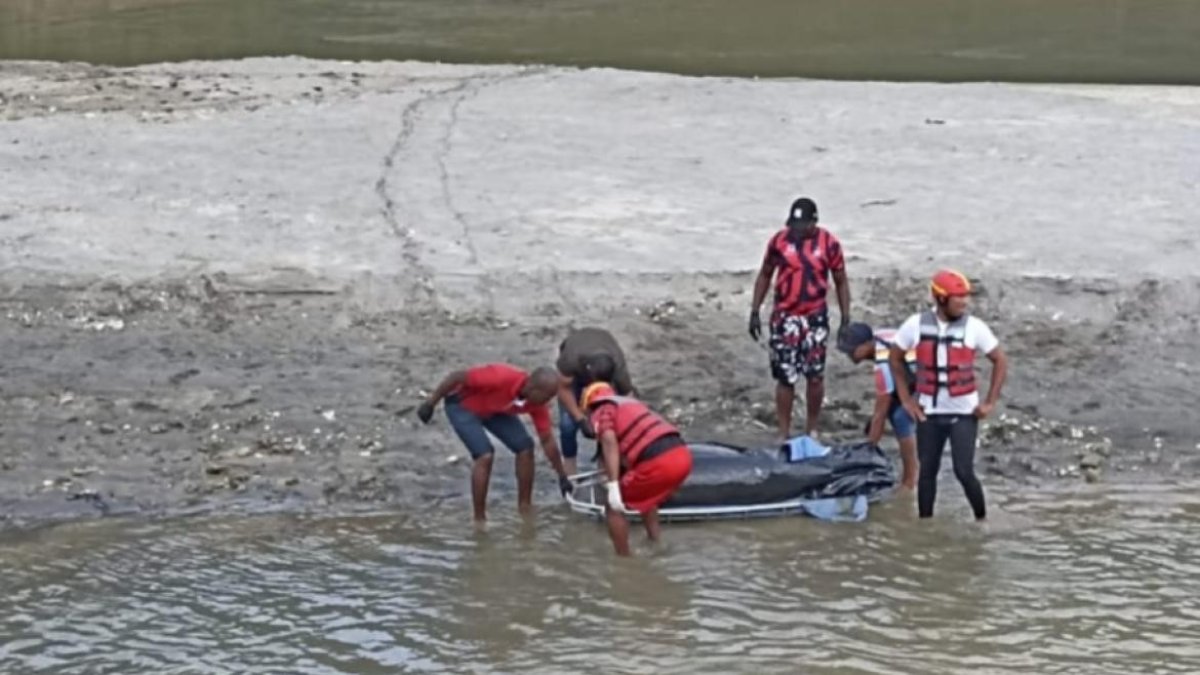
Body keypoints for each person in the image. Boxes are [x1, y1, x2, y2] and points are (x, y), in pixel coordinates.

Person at [889, 270, 1009, 521]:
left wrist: (989, 403)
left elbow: (1000, 360)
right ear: (941, 299)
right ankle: (925, 526)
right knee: (927, 473)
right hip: (928, 413)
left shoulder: (975, 327)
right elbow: (895, 357)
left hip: (964, 413)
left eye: (966, 297)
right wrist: (906, 399)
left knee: (963, 471)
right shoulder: (916, 324)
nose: (964, 302)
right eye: (958, 298)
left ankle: (981, 520)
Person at [416, 363, 572, 523]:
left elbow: (547, 440)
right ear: (533, 389)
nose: (548, 402)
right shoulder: (500, 377)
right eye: (547, 397)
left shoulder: (537, 403)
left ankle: (525, 507)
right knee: (485, 455)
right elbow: (456, 376)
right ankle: (479, 519)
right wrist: (430, 403)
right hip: (462, 406)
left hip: (495, 410)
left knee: (525, 447)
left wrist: (562, 475)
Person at [749, 197, 852, 439]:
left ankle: (811, 428)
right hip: (784, 317)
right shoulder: (779, 242)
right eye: (794, 226)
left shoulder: (830, 244)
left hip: (815, 317)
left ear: (814, 223)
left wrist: (845, 318)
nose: (796, 231)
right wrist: (755, 310)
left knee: (815, 376)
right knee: (785, 377)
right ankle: (784, 432)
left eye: (802, 226)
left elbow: (840, 281)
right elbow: (765, 275)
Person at [579, 354, 693, 557]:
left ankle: (624, 562)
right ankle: (656, 542)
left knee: (613, 507)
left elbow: (608, 441)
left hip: (658, 462)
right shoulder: (629, 403)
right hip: (682, 454)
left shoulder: (601, 408)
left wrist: (613, 486)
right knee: (647, 497)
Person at [837, 322, 919, 490]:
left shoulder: (883, 358)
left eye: (852, 350)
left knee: (900, 416)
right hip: (915, 370)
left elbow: (880, 411)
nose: (849, 354)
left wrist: (868, 448)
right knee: (889, 410)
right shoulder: (879, 336)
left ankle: (910, 479)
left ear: (867, 344)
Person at [555, 327, 637, 475]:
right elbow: (562, 388)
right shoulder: (570, 359)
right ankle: (569, 469)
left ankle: (605, 466)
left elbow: (627, 397)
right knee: (567, 424)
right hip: (575, 374)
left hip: (605, 366)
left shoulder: (618, 366)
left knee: (610, 421)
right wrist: (580, 418)